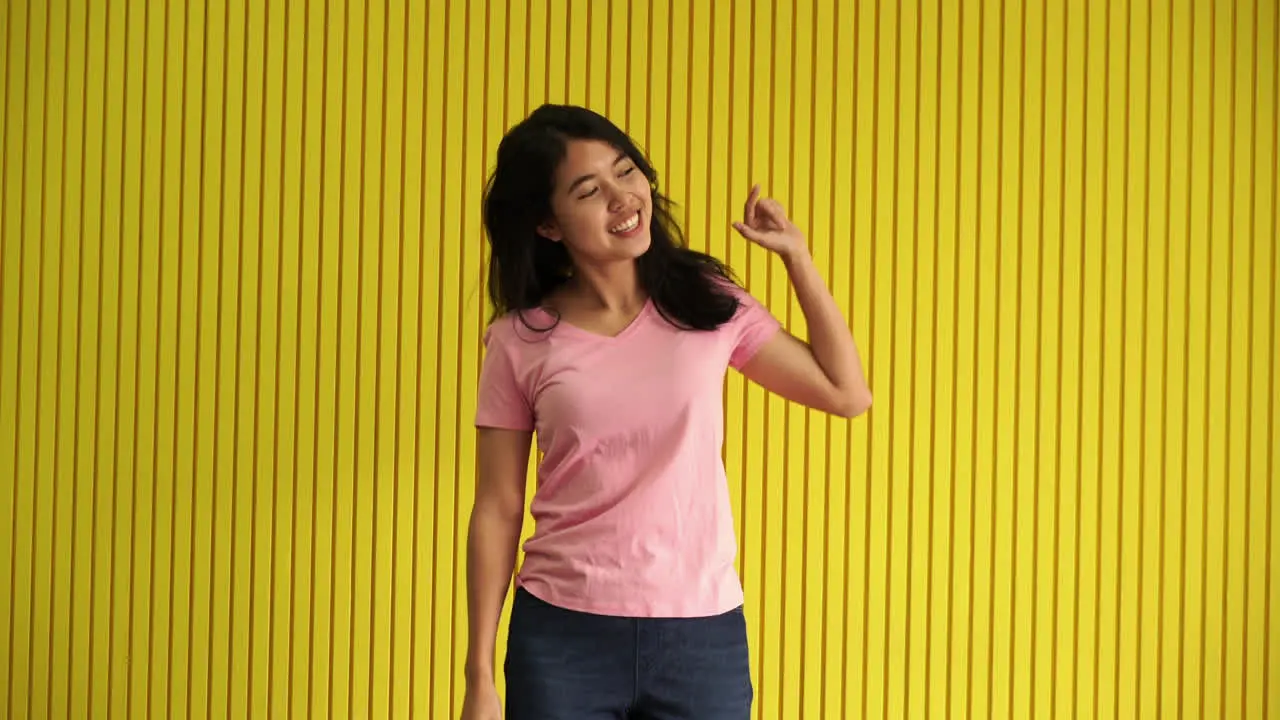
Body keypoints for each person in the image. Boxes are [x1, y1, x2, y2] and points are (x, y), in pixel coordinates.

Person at [460, 104, 871, 720]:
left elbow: (846, 394)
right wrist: (479, 675)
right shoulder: (520, 340)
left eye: (627, 172)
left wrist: (797, 259)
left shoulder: (708, 305)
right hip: (563, 637)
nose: (623, 198)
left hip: (700, 638)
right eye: (589, 190)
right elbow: (496, 507)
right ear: (548, 224)